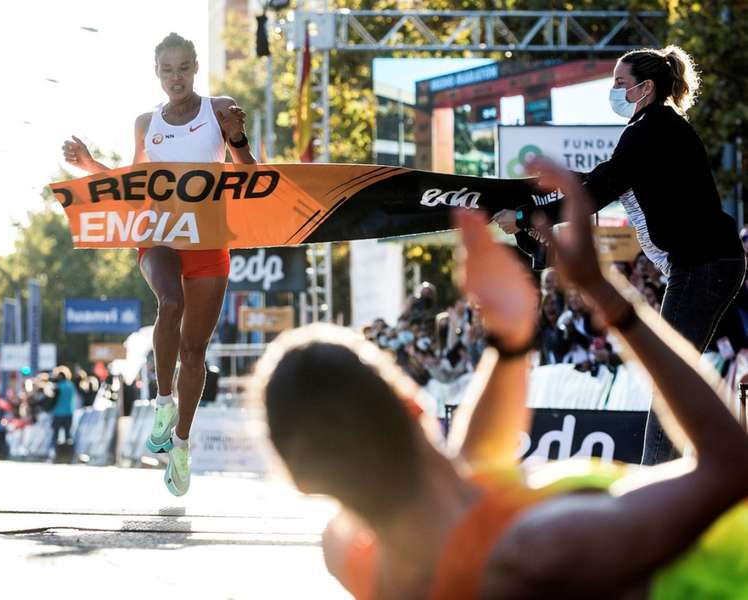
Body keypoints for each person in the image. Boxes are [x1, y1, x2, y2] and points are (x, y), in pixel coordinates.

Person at [251, 159, 748, 599]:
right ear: (414, 404)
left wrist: (509, 341)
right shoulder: (541, 548)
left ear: (305, 479)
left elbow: (472, 468)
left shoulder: (352, 553)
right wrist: (607, 295)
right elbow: (730, 465)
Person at [493, 45, 746, 464]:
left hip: (704, 264)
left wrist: (525, 216)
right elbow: (598, 181)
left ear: (644, 88)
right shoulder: (656, 127)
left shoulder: (650, 130)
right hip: (708, 262)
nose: (613, 90)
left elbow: (594, 193)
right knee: (673, 374)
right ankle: (687, 466)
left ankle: (660, 475)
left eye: (619, 83)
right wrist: (540, 199)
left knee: (669, 377)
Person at [61, 32, 255, 495]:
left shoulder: (219, 108)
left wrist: (237, 138)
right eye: (167, 69)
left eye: (183, 67)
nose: (176, 77)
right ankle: (162, 399)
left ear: (195, 68)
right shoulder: (146, 122)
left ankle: (182, 444)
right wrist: (89, 165)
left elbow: (250, 176)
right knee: (169, 303)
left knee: (194, 352)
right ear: (157, 73)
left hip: (208, 240)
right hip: (160, 236)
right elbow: (133, 185)